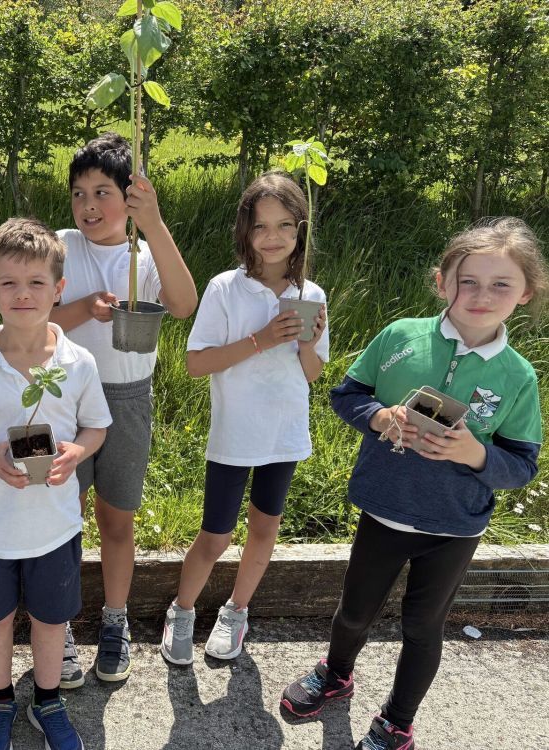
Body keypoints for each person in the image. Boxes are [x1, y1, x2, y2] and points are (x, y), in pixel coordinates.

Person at [281, 217, 546, 750]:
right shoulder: (400, 336)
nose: (480, 295)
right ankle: (336, 675)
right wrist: (380, 418)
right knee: (353, 611)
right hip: (383, 510)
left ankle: (397, 721)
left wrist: (475, 454)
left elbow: (521, 466)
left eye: (501, 284)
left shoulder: (518, 376)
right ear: (441, 281)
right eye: (467, 280)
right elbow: (346, 395)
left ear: (526, 295)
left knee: (423, 628)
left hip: (453, 527)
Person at [0, 218, 111, 750]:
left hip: (55, 525)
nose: (23, 294)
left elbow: (96, 425)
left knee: (51, 619)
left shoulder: (77, 363)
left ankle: (48, 697)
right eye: (9, 283)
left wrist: (78, 451)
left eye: (37, 283)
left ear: (59, 290)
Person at [160, 172, 328, 665]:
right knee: (215, 535)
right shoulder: (225, 288)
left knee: (264, 529)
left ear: (300, 231)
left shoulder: (312, 294)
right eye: (260, 227)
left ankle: (236, 611)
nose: (272, 238)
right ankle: (182, 610)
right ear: (244, 230)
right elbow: (195, 363)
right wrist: (264, 337)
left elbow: (313, 374)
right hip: (235, 434)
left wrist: (306, 340)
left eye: (284, 227)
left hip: (285, 434)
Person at [50, 132, 197, 686]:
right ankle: (57, 624)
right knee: (63, 518)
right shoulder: (61, 245)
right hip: (63, 398)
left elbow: (183, 306)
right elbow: (32, 317)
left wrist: (155, 225)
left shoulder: (145, 253)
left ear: (131, 196)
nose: (89, 206)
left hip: (127, 400)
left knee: (116, 519)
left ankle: (115, 620)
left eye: (102, 192)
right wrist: (83, 308)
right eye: (79, 193)